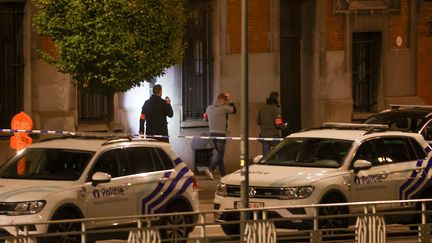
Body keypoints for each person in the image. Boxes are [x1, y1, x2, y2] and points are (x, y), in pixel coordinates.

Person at [204, 92, 236, 180]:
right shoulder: (224, 108)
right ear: (224, 101)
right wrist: (230, 100)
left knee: (219, 154)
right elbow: (234, 110)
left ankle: (223, 173)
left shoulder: (209, 108)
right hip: (220, 134)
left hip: (212, 133)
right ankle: (210, 169)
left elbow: (205, 118)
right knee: (220, 154)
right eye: (226, 100)